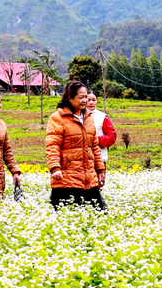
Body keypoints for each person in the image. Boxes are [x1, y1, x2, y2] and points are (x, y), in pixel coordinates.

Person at [45, 80, 106, 209]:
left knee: (97, 215)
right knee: (67, 218)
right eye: (81, 97)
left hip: (89, 177)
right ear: (70, 98)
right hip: (67, 178)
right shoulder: (57, 118)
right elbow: (52, 145)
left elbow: (94, 146)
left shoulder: (89, 118)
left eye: (86, 97)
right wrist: (55, 168)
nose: (85, 100)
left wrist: (100, 169)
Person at [86, 91, 117, 165]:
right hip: (80, 160)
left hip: (99, 158)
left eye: (94, 100)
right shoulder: (77, 117)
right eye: (88, 100)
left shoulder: (103, 117)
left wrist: (95, 140)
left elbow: (111, 137)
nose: (91, 103)